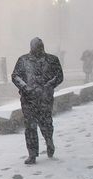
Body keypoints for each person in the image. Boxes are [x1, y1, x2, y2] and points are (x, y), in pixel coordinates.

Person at [11, 37, 64, 165]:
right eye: (35, 47)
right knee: (30, 126)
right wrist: (25, 86)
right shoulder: (23, 60)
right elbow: (15, 76)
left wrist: (48, 86)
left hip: (44, 98)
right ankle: (32, 154)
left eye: (39, 47)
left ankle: (49, 141)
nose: (37, 50)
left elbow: (59, 76)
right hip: (28, 99)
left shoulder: (52, 60)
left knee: (46, 123)